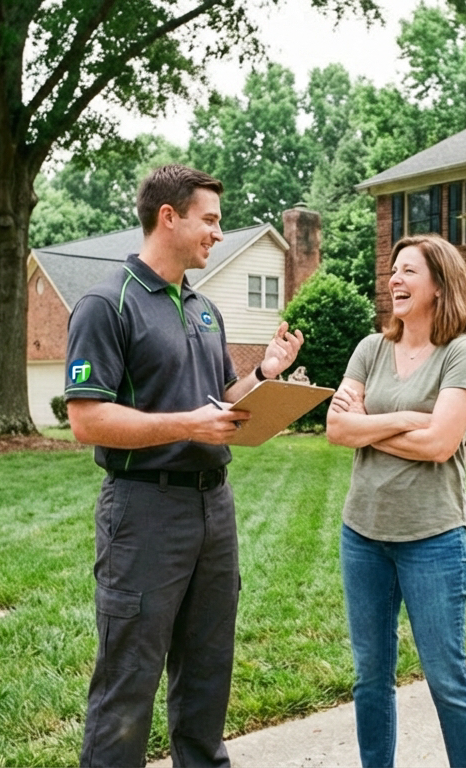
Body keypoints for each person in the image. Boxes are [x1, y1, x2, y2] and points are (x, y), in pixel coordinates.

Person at [65, 164, 303, 768]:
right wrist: (188, 424)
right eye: (211, 220)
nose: (218, 234)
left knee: (207, 670)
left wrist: (265, 377)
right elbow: (88, 419)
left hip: (212, 509)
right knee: (129, 679)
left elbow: (219, 395)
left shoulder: (203, 308)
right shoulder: (105, 302)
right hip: (144, 512)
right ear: (168, 216)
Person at [326, 233, 466, 768]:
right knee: (370, 678)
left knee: (447, 678)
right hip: (363, 535)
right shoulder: (371, 349)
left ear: (440, 285)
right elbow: (335, 429)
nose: (394, 279)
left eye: (408, 271)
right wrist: (401, 419)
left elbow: (442, 443)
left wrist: (366, 424)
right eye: (392, 271)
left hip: (433, 538)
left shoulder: (462, 351)